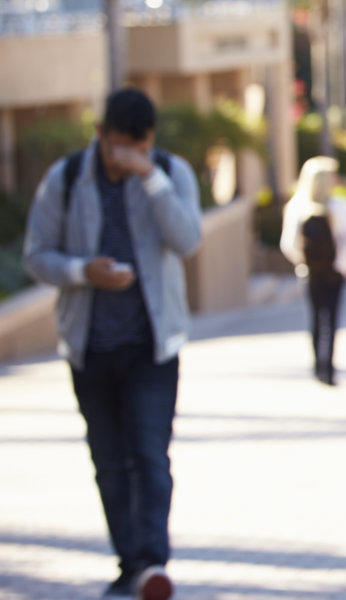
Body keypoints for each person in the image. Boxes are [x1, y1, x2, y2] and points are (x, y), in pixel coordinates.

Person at [22, 87, 201, 600]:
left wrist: (152, 180)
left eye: (138, 148)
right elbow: (37, 255)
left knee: (150, 455)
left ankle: (152, 563)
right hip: (90, 347)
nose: (126, 157)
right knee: (108, 460)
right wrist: (83, 271)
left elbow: (188, 241)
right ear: (100, 134)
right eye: (119, 147)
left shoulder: (168, 173)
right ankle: (132, 563)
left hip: (153, 346)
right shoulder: (68, 178)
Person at [279, 156, 346, 386]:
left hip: (311, 273)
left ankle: (319, 366)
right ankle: (327, 367)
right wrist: (341, 267)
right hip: (334, 273)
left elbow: (288, 244)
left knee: (316, 319)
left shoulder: (297, 208)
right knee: (330, 318)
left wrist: (304, 262)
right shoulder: (340, 207)